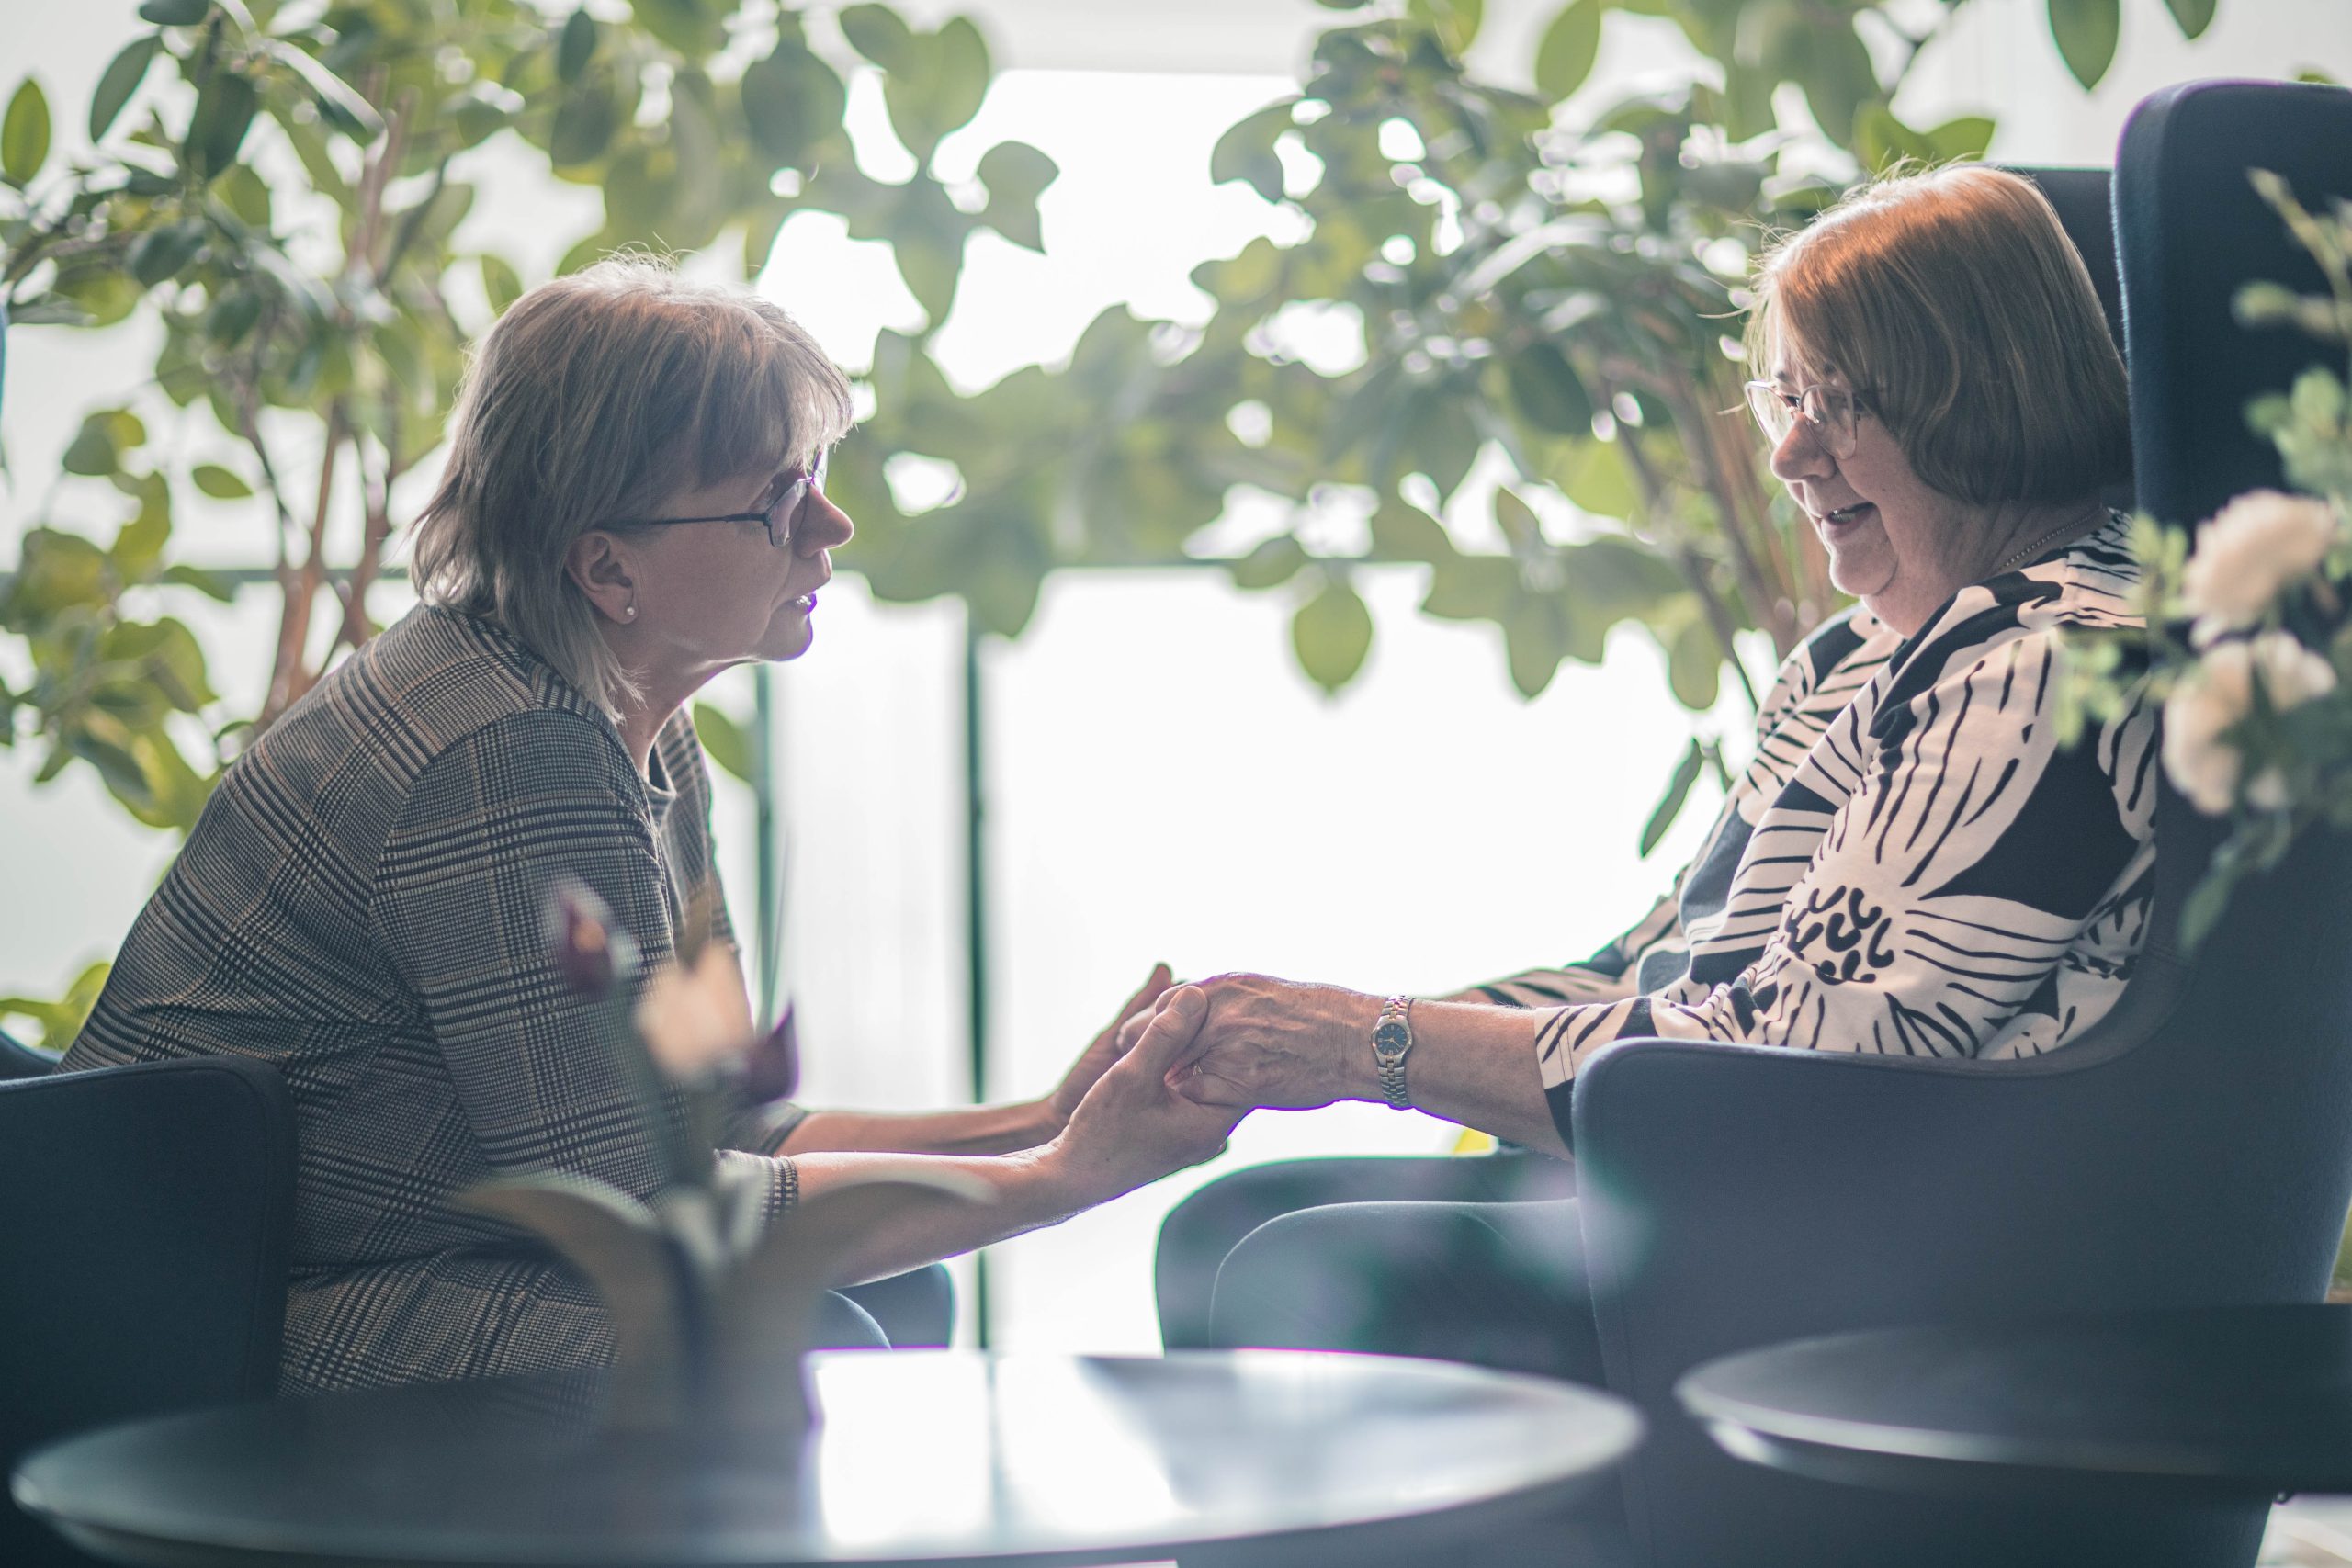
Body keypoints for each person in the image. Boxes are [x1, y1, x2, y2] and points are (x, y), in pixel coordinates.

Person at [62, 259, 1237, 1395]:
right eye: (779, 500)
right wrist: (1066, 1177)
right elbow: (650, 1215)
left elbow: (712, 1117)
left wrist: (1045, 1118)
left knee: (900, 1294)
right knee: (788, 1331)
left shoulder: (627, 719)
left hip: (374, 1266)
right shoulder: (505, 753)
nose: (833, 525)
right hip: (234, 1319)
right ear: (607, 565)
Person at [1148, 164, 2152, 1379]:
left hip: (1893, 1262)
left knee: (1285, 1269)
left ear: (1978, 397)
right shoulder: (1871, 647)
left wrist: (1374, 1045)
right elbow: (1655, 967)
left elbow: (1781, 1065)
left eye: (1834, 402)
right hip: (1756, 1194)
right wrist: (1271, 1030)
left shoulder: (2055, 662)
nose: (1788, 453)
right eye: (1784, 395)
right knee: (1222, 1227)